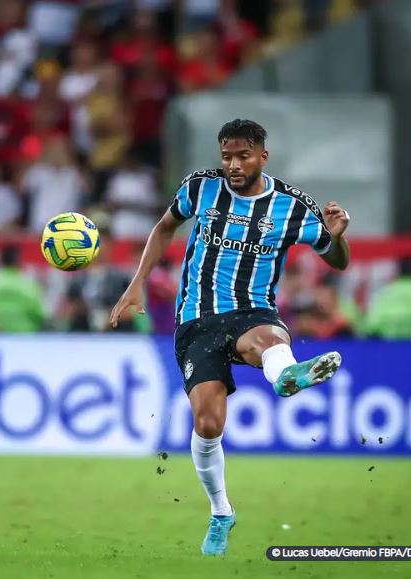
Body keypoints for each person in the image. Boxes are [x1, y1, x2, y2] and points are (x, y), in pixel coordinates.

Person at [109, 119, 350, 556]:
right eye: (226, 156)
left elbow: (337, 261)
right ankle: (222, 511)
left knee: (267, 340)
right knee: (208, 423)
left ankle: (285, 376)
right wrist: (136, 282)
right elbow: (165, 226)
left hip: (253, 310)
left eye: (242, 156)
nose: (233, 165)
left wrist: (336, 238)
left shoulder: (293, 206)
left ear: (262, 156)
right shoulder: (201, 188)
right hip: (197, 318)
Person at [0, 245, 45, 333]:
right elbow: (39, 313)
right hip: (25, 337)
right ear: (18, 261)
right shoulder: (29, 286)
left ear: (1, 261)